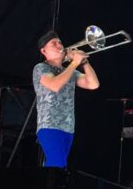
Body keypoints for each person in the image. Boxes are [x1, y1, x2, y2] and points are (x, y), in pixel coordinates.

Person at [32, 30, 100, 168]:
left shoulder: (70, 72)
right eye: (54, 44)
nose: (59, 45)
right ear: (44, 51)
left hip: (68, 128)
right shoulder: (41, 68)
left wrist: (84, 62)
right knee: (58, 164)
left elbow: (93, 84)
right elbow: (54, 85)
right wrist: (74, 63)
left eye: (60, 42)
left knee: (57, 165)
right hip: (50, 125)